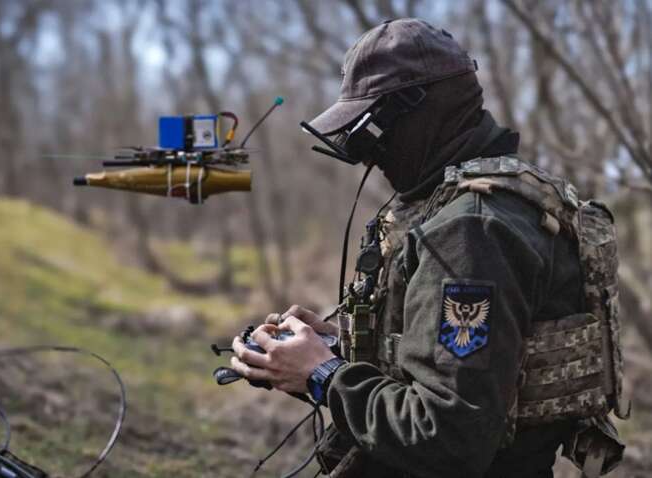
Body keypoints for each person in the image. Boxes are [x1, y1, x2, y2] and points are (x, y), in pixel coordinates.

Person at [230, 18, 626, 477]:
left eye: (371, 133)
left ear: (419, 112)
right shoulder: (486, 203)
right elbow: (456, 368)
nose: (368, 156)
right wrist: (330, 353)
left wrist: (325, 377)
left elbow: (447, 436)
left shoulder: (472, 232)